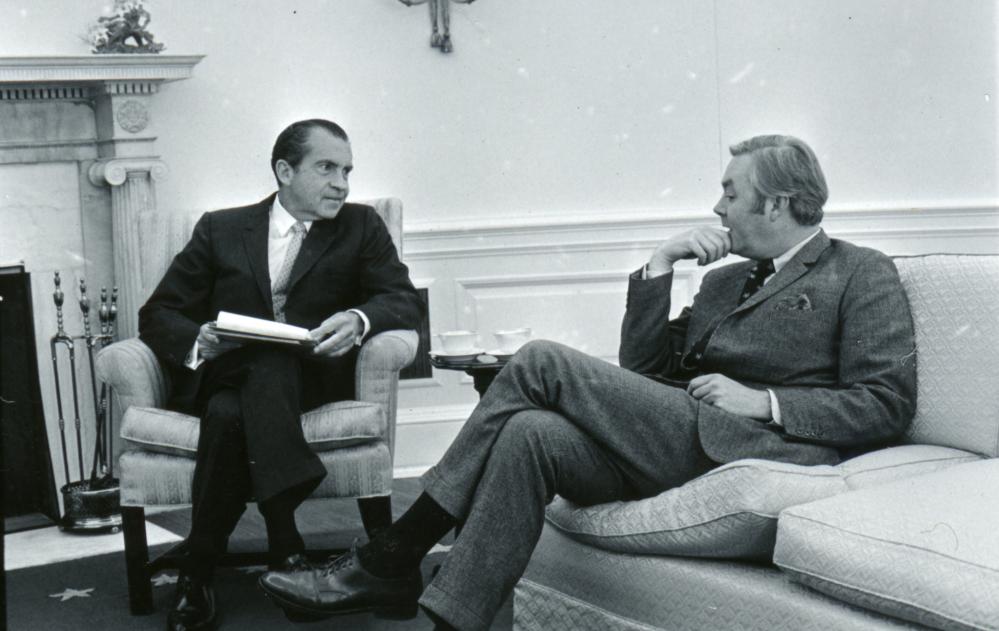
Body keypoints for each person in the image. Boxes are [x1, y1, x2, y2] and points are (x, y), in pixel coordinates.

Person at [259, 134, 917, 630]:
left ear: (775, 202)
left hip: (758, 446)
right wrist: (659, 265)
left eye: (730, 193)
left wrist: (765, 402)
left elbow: (886, 403)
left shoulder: (858, 271)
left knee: (540, 360)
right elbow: (645, 374)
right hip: (682, 433)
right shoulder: (722, 280)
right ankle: (450, 621)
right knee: (529, 432)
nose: (716, 207)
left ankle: (395, 552)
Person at [138, 118, 425, 631]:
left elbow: (401, 298)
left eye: (347, 171)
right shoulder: (222, 228)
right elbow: (159, 313)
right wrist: (199, 338)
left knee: (231, 410)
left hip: (313, 382)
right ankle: (286, 551)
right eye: (327, 168)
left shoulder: (360, 226)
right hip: (228, 371)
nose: (342, 183)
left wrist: (358, 319)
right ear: (285, 171)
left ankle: (198, 569)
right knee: (251, 376)